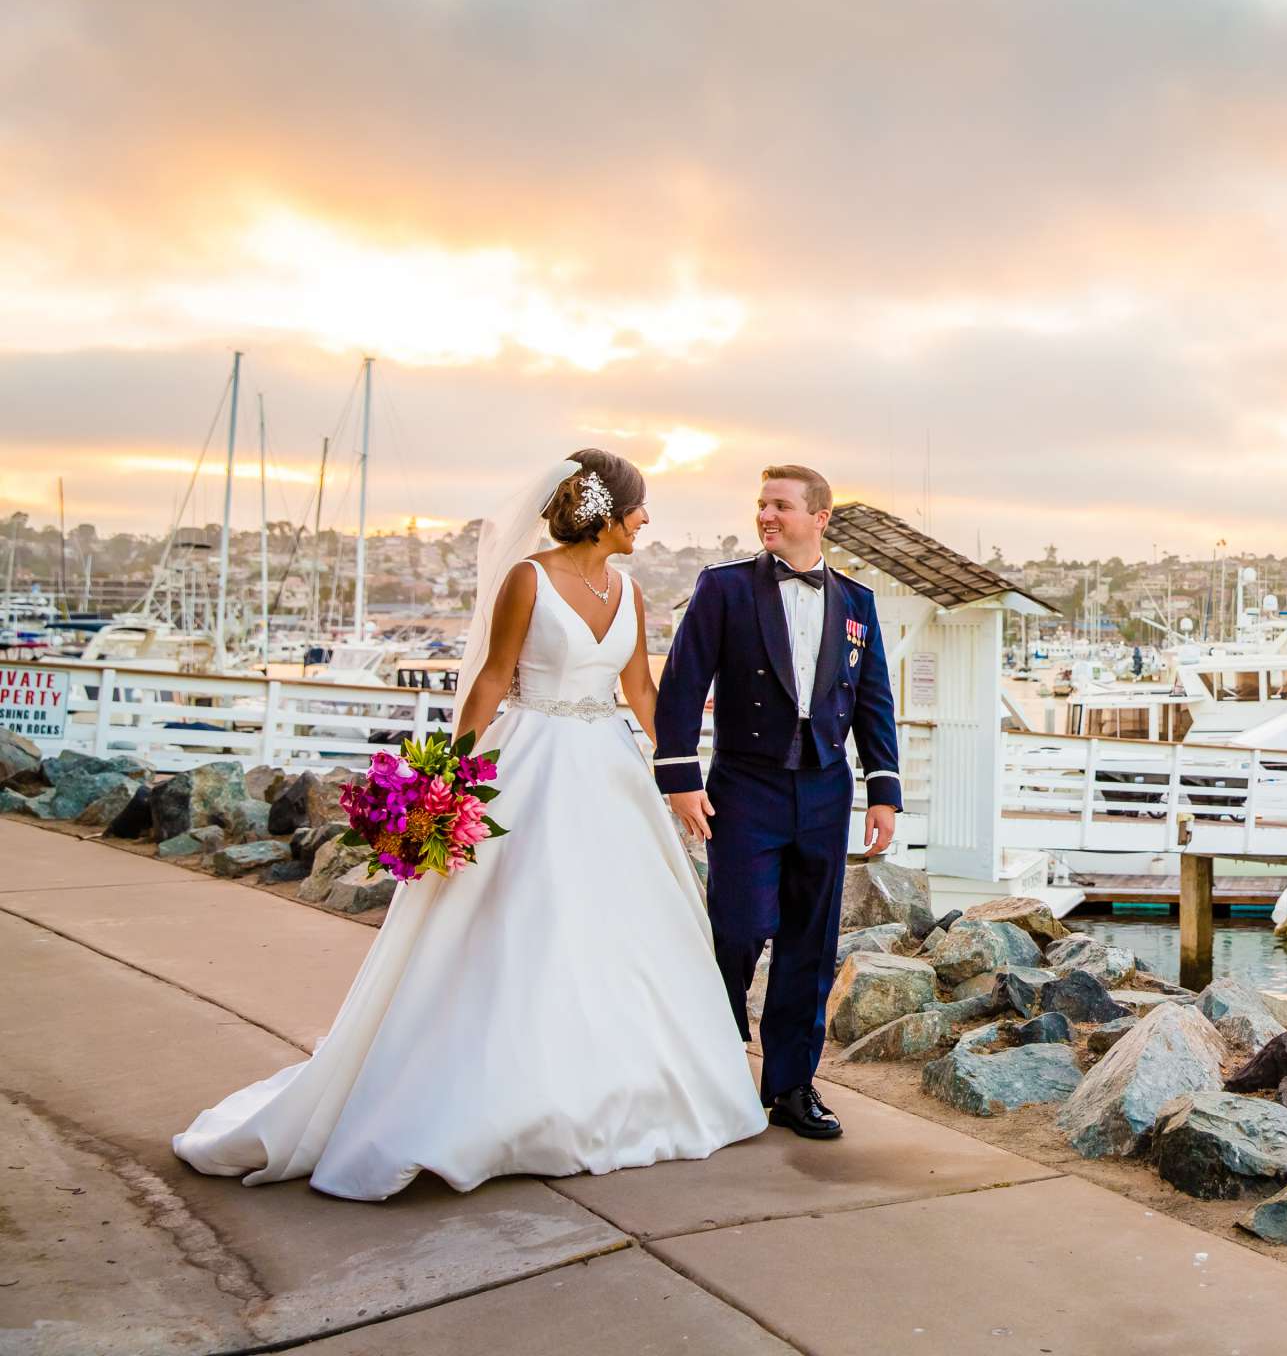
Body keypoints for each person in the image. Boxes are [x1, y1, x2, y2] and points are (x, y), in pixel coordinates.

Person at [172, 452, 767, 1200]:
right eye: (640, 508)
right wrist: (447, 776)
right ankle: (503, 1098)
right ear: (605, 512)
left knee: (624, 926)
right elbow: (492, 677)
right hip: (531, 764)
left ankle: (625, 1088)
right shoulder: (530, 578)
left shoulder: (632, 591)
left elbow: (640, 688)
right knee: (524, 922)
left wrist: (678, 770)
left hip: (609, 772)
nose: (648, 521)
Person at [652, 465, 901, 1140]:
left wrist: (885, 790)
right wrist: (679, 778)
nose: (766, 515)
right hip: (745, 787)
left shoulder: (856, 602)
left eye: (780, 505)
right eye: (761, 504)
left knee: (810, 945)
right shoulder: (724, 587)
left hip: (825, 791)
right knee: (736, 929)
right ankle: (717, 1067)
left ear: (819, 518)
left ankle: (791, 1087)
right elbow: (679, 688)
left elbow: (872, 701)